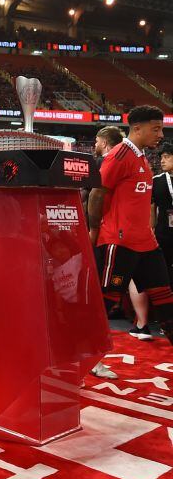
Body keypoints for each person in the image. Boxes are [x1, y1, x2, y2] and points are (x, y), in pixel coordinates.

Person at [88, 106, 173, 378]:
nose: (160, 134)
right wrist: (94, 231)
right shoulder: (119, 155)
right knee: (105, 302)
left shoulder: (142, 157)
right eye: (155, 128)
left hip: (146, 243)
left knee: (165, 299)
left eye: (161, 128)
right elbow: (96, 195)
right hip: (119, 241)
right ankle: (91, 359)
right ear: (137, 128)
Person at [152, 142, 173, 288]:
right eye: (161, 157)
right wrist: (150, 229)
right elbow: (151, 207)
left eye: (166, 157)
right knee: (164, 265)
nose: (162, 160)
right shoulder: (156, 181)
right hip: (163, 232)